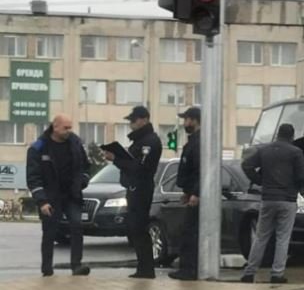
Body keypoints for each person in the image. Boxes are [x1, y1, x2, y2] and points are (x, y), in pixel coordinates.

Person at [240, 123, 304, 284]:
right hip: (287, 200)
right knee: (282, 238)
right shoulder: (295, 152)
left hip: (268, 198)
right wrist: (295, 187)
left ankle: (249, 273)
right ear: (292, 136)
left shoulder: (265, 150)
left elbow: (246, 165)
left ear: (278, 134)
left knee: (260, 237)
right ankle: (277, 274)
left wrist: (260, 181)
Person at [26, 114, 91, 277]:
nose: (69, 131)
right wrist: (42, 201)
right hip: (50, 197)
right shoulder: (39, 147)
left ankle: (77, 266)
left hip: (71, 195)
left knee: (77, 226)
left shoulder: (75, 143)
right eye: (65, 128)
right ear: (55, 127)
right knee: (50, 232)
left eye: (70, 127)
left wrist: (83, 181)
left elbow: (85, 166)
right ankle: (47, 269)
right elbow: (33, 177)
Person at [104, 106, 162, 279]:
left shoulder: (149, 141)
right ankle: (143, 267)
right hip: (134, 188)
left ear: (144, 120)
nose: (131, 124)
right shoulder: (139, 141)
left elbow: (139, 167)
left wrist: (116, 159)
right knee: (134, 228)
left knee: (139, 228)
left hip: (141, 189)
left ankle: (147, 269)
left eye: (134, 120)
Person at [168, 107, 201, 281]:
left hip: (196, 197)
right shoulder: (192, 142)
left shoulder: (199, 143)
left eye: (186, 119)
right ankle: (187, 268)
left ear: (194, 120)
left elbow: (200, 170)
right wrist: (187, 192)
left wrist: (195, 193)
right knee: (188, 231)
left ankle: (189, 269)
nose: (184, 123)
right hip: (191, 194)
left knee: (190, 233)